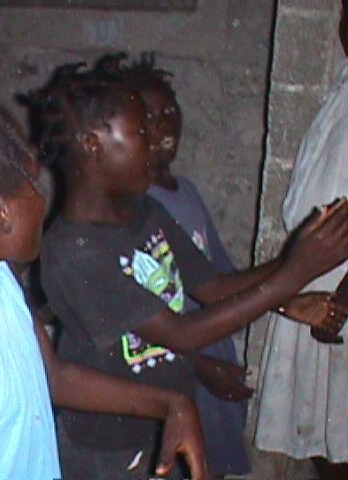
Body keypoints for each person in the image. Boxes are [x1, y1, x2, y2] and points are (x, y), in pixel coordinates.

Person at [31, 62, 348, 479]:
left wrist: (298, 260)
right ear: (93, 144)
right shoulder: (75, 252)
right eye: (140, 135)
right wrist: (294, 272)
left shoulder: (144, 212)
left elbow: (214, 286)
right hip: (108, 451)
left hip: (161, 424)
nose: (155, 145)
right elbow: (182, 333)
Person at [0, 86, 208, 479]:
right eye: (32, 184)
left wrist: (172, 404)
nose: (43, 199)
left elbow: (53, 376)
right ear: (3, 215)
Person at [111, 52, 251, 478]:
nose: (166, 122)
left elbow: (219, 276)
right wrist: (203, 367)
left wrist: (287, 299)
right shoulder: (135, 208)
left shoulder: (185, 191)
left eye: (171, 110)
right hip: (174, 360)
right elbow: (135, 322)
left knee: (211, 460)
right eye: (151, 117)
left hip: (209, 346)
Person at [255, 2, 348, 478]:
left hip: (345, 290)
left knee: (343, 437)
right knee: (319, 431)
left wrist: (342, 299)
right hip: (315, 276)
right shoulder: (345, 86)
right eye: (347, 17)